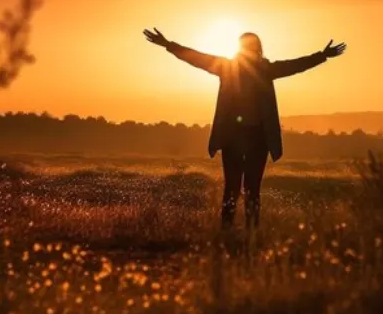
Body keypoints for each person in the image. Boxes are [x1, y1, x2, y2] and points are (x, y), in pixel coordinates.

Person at [144, 27, 346, 229]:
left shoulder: (242, 68)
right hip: (241, 138)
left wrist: (322, 56)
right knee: (242, 188)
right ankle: (239, 231)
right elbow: (196, 57)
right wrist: (168, 45)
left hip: (252, 139)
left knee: (243, 188)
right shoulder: (251, 69)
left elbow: (196, 58)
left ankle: (238, 231)